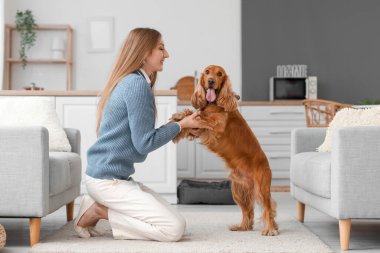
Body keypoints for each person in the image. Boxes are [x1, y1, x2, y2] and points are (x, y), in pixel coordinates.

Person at [73, 28, 209, 241]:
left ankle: (94, 204)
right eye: (161, 48)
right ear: (145, 52)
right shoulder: (136, 84)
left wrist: (179, 124)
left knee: (177, 221)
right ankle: (99, 211)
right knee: (173, 230)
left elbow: (142, 137)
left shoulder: (133, 81)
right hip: (107, 181)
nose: (167, 55)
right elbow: (144, 144)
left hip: (114, 177)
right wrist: (180, 126)